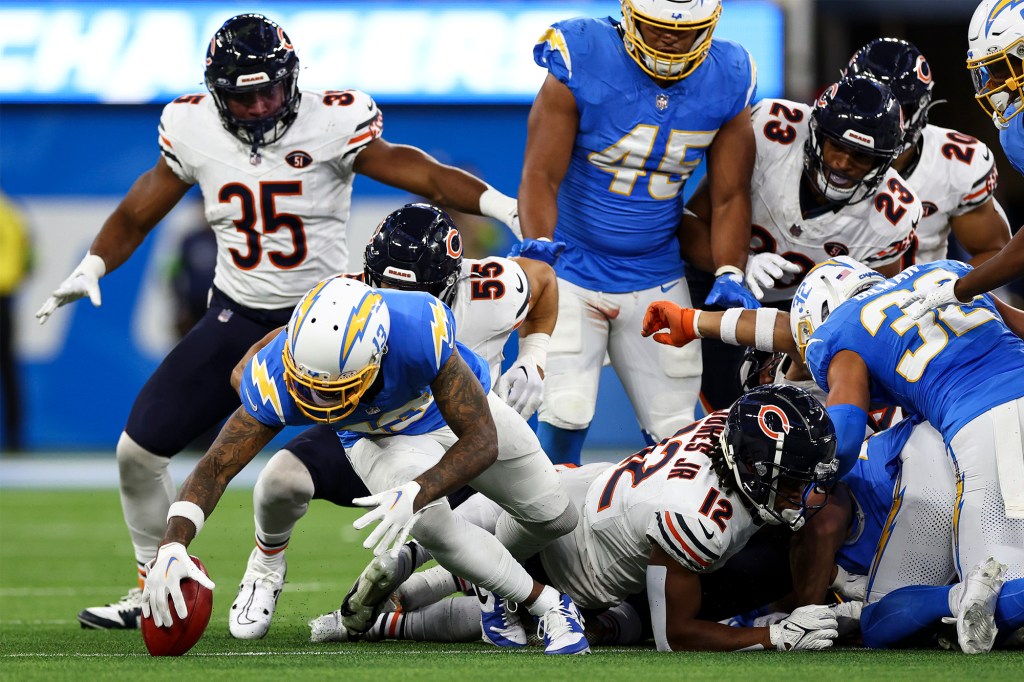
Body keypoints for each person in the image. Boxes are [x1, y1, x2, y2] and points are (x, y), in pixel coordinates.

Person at [32, 14, 522, 630]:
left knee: (356, 455)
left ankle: (444, 555)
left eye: (270, 89)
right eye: (243, 94)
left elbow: (417, 170)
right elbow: (136, 212)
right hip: (233, 314)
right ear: (216, 92)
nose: (261, 105)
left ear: (291, 78)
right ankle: (152, 582)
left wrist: (502, 204)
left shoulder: (334, 119)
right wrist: (95, 262)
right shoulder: (191, 127)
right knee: (136, 454)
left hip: (324, 327)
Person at [140, 276, 590, 655]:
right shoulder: (278, 374)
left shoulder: (417, 329)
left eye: (338, 388)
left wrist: (417, 490)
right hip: (381, 438)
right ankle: (547, 604)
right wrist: (173, 545)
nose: (320, 401)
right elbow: (216, 465)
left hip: (451, 416)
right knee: (431, 523)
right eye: (308, 386)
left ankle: (478, 577)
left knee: (555, 516)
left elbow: (481, 441)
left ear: (378, 355)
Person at [642, 255, 1024, 652]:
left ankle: (896, 596)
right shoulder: (945, 271)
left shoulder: (843, 333)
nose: (804, 360)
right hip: (950, 440)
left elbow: (841, 441)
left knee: (995, 599)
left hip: (984, 430)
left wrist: (810, 482)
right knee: (889, 620)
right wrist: (690, 321)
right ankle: (883, 599)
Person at [226, 203, 557, 640]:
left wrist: (534, 358)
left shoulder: (493, 289)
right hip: (375, 428)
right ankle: (266, 568)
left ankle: (417, 571)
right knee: (280, 479)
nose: (394, 302)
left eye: (412, 292)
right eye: (382, 286)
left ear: (451, 280)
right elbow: (257, 364)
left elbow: (545, 281)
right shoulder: (347, 299)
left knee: (528, 533)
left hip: (463, 439)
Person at [311, 384, 843, 652]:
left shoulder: (732, 425)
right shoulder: (696, 516)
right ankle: (389, 620)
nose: (802, 492)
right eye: (792, 481)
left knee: (500, 528)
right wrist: (772, 639)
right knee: (552, 612)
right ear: (748, 469)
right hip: (574, 566)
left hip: (584, 490)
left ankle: (409, 570)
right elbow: (672, 636)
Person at [517, 0, 760, 465]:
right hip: (572, 264)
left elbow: (730, 194)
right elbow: (538, 174)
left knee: (676, 430)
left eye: (683, 30)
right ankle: (542, 533)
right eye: (654, 27)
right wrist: (540, 252)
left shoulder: (729, 74)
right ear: (629, 16)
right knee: (564, 412)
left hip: (656, 270)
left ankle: (664, 530)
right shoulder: (584, 52)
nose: (668, 38)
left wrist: (731, 270)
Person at [682, 74, 920, 410]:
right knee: (709, 397)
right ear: (816, 133)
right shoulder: (770, 131)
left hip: (807, 310)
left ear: (882, 164)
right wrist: (734, 265)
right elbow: (689, 224)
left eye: (861, 156)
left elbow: (871, 311)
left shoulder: (892, 212)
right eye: (837, 145)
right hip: (721, 284)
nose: (842, 163)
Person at [902, 0, 1024, 317]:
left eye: (998, 67)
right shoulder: (1016, 132)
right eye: (988, 70)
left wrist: (959, 289)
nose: (993, 83)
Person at [844, 38, 1010, 268]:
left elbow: (994, 252)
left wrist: (946, 286)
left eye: (895, 107)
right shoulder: (812, 146)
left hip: (921, 300)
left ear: (919, 107)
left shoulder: (954, 162)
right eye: (866, 104)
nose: (879, 119)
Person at [0, 191, 32, 452]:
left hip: (4, 297)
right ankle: (14, 438)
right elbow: (31, 260)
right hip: (5, 297)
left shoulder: (10, 214)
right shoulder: (12, 212)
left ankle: (14, 436)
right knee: (8, 368)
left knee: (8, 369)